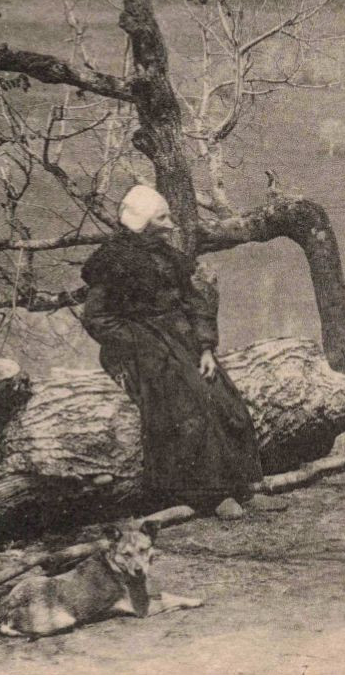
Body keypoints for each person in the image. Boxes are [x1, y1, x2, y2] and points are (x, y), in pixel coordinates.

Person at [79, 185, 265, 508]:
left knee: (223, 396)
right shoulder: (111, 261)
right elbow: (96, 318)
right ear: (144, 223)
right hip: (140, 349)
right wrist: (138, 341)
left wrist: (206, 348)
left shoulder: (167, 255)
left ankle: (245, 487)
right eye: (162, 218)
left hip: (183, 340)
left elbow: (195, 301)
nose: (170, 224)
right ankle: (209, 496)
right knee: (187, 404)